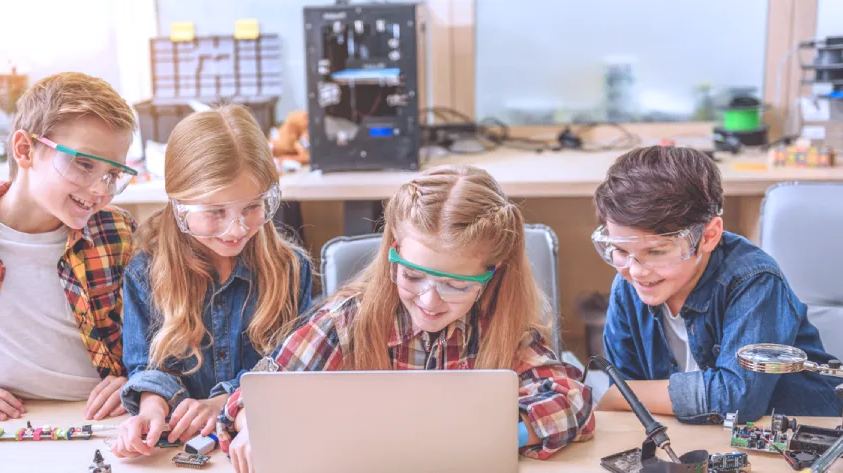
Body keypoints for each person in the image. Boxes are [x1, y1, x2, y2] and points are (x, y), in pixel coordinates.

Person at [220, 164, 595, 472]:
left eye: (455, 284)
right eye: (413, 276)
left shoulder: (500, 328)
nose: (430, 300)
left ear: (491, 276)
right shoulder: (347, 321)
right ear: (393, 255)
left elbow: (573, 400)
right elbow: (252, 396)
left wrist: (504, 435)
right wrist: (254, 424)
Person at [111, 105, 313, 458]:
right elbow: (146, 367)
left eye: (252, 207)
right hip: (180, 449)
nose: (235, 229)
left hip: (259, 446)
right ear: (179, 206)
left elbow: (294, 369)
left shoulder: (290, 269)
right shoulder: (145, 274)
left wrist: (226, 401)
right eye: (215, 212)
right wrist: (150, 411)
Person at [594, 145, 843, 423]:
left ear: (709, 236)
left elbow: (738, 399)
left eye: (657, 251)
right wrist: (626, 396)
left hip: (795, 432)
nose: (636, 271)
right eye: (620, 251)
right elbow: (630, 402)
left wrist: (620, 395)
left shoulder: (754, 280)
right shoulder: (627, 286)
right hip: (692, 435)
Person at [0, 72, 138, 421]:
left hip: (104, 420)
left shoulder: (119, 234)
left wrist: (137, 379)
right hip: (3, 424)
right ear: (24, 150)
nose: (100, 191)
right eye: (83, 163)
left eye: (112, 175)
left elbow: (162, 330)